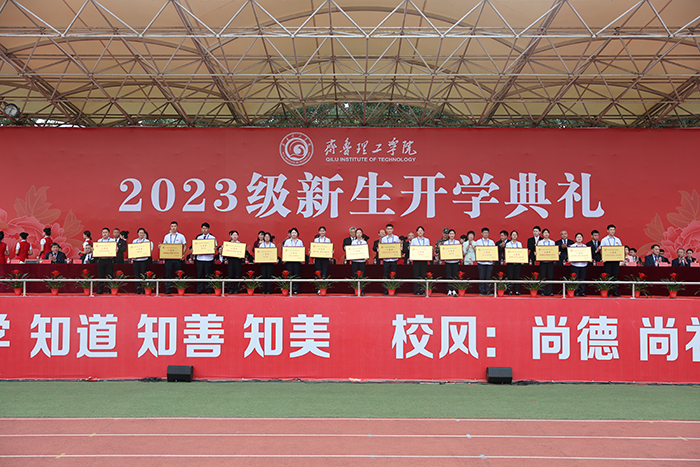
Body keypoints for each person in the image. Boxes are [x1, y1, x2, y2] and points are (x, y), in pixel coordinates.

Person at [162, 221, 186, 295]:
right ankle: (168, 290)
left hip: (177, 259)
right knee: (168, 275)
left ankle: (179, 289)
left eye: (175, 226)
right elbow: (164, 246)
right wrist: (161, 247)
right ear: (170, 227)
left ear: (177, 227)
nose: (173, 228)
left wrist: (182, 254)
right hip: (168, 259)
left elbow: (185, 245)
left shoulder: (181, 236)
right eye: (172, 226)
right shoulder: (166, 236)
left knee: (179, 274)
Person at [193, 222, 217, 294]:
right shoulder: (198, 237)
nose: (204, 230)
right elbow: (195, 247)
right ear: (201, 229)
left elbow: (215, 247)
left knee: (208, 275)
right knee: (199, 275)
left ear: (208, 229)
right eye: (203, 228)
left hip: (208, 259)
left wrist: (213, 249)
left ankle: (208, 290)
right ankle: (199, 290)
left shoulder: (212, 238)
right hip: (200, 259)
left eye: (206, 228)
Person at [601, 224, 622, 296]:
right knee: (607, 276)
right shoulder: (604, 240)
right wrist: (603, 258)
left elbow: (620, 250)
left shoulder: (618, 240)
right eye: (611, 230)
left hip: (616, 261)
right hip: (607, 261)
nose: (612, 231)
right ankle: (607, 291)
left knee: (615, 277)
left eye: (613, 230)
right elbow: (602, 250)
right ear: (607, 231)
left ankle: (615, 292)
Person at [380, 223, 401, 294]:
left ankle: (393, 290)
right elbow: (382, 248)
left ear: (393, 230)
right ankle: (386, 290)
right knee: (386, 275)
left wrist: (400, 248)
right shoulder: (383, 239)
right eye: (388, 229)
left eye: (390, 229)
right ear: (386, 230)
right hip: (386, 260)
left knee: (393, 275)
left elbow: (398, 247)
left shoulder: (396, 238)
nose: (389, 230)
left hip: (394, 260)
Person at [132, 227, 153, 294]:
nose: (141, 234)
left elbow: (149, 251)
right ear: (138, 234)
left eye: (142, 233)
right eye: (140, 233)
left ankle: (144, 290)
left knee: (144, 275)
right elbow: (132, 250)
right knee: (137, 275)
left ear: (144, 234)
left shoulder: (147, 242)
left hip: (144, 260)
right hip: (136, 261)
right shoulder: (134, 241)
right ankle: (138, 290)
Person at [222, 230, 243, 294]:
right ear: (231, 236)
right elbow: (224, 255)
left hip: (238, 261)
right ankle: (230, 289)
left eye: (236, 235)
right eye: (233, 235)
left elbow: (243, 254)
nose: (234, 236)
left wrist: (241, 256)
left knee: (238, 275)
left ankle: (237, 289)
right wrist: (223, 249)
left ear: (238, 236)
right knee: (230, 275)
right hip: (231, 261)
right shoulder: (228, 244)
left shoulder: (240, 244)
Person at [283, 227, 303, 294]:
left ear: (297, 234)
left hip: (297, 262)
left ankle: (296, 290)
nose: (294, 234)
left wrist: (301, 259)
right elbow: (285, 251)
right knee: (289, 275)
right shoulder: (287, 242)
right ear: (290, 234)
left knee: (296, 275)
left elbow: (301, 251)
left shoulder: (300, 242)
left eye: (295, 232)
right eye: (292, 233)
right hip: (289, 262)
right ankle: (290, 289)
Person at [410, 226, 430, 295]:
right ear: (417, 232)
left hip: (424, 260)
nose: (420, 232)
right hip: (416, 260)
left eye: (421, 231)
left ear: (424, 232)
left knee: (423, 275)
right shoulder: (414, 240)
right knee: (416, 275)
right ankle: (416, 290)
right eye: (419, 231)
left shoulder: (427, 240)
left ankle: (423, 290)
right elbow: (412, 249)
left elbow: (428, 250)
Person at [96, 227, 116, 294]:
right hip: (101, 260)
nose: (104, 234)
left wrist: (115, 250)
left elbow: (116, 249)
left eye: (106, 232)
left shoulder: (112, 241)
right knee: (101, 275)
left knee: (109, 275)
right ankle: (100, 290)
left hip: (109, 260)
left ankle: (109, 290)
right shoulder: (99, 241)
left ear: (109, 233)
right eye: (103, 232)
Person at [476, 227, 495, 295]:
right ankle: (481, 291)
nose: (486, 234)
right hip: (481, 263)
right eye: (484, 233)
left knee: (488, 277)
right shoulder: (478, 242)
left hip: (489, 263)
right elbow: (477, 251)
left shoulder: (491, 242)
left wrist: (493, 258)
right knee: (481, 277)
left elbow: (494, 252)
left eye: (487, 233)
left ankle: (488, 291)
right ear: (482, 233)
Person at [536, 228, 556, 296]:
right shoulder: (540, 242)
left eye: (547, 232)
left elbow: (554, 251)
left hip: (550, 262)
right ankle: (543, 291)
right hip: (543, 262)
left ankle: (550, 291)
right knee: (543, 277)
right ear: (542, 234)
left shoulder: (552, 242)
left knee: (550, 277)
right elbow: (538, 251)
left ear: (549, 234)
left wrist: (556, 254)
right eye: (545, 233)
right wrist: (537, 253)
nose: (546, 234)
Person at [443, 229, 460, 295]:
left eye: (453, 234)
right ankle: (449, 289)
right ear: (448, 235)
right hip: (448, 262)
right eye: (450, 234)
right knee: (448, 276)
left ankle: (454, 289)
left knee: (455, 276)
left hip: (455, 262)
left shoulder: (457, 242)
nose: (451, 235)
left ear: (454, 235)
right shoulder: (446, 243)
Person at [505, 230, 522, 295]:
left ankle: (517, 291)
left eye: (516, 235)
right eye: (513, 235)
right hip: (510, 263)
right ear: (511, 236)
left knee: (517, 277)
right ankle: (510, 291)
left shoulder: (519, 244)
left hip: (518, 263)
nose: (514, 236)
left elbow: (521, 253)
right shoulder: (508, 244)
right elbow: (507, 253)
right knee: (510, 277)